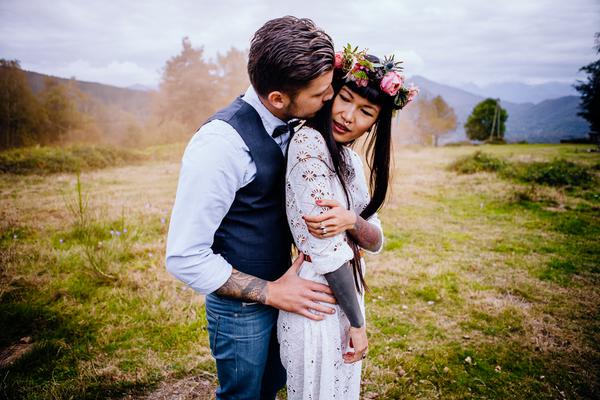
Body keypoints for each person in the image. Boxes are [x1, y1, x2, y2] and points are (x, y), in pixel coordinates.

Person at [165, 16, 338, 399]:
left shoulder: (296, 117)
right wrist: (272, 293)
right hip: (241, 310)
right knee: (242, 394)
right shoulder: (220, 146)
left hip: (290, 291)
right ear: (277, 98)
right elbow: (184, 256)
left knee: (271, 387)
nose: (330, 99)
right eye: (321, 93)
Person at [278, 45, 418, 399]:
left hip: (346, 296)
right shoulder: (308, 144)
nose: (348, 116)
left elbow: (376, 240)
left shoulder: (350, 161)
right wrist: (358, 325)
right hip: (318, 296)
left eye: (365, 111)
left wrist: (351, 219)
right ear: (331, 93)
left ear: (375, 122)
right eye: (344, 98)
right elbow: (327, 250)